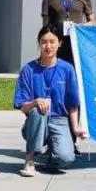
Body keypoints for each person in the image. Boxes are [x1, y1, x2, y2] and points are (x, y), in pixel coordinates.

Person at [13, 26, 87, 177]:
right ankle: (29, 159)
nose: (48, 46)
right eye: (44, 42)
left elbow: (73, 104)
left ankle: (51, 155)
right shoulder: (28, 69)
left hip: (59, 120)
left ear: (59, 43)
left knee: (65, 158)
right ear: (39, 44)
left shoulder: (67, 69)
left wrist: (75, 127)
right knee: (39, 110)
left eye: (52, 42)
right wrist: (35, 102)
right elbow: (22, 107)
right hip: (35, 122)